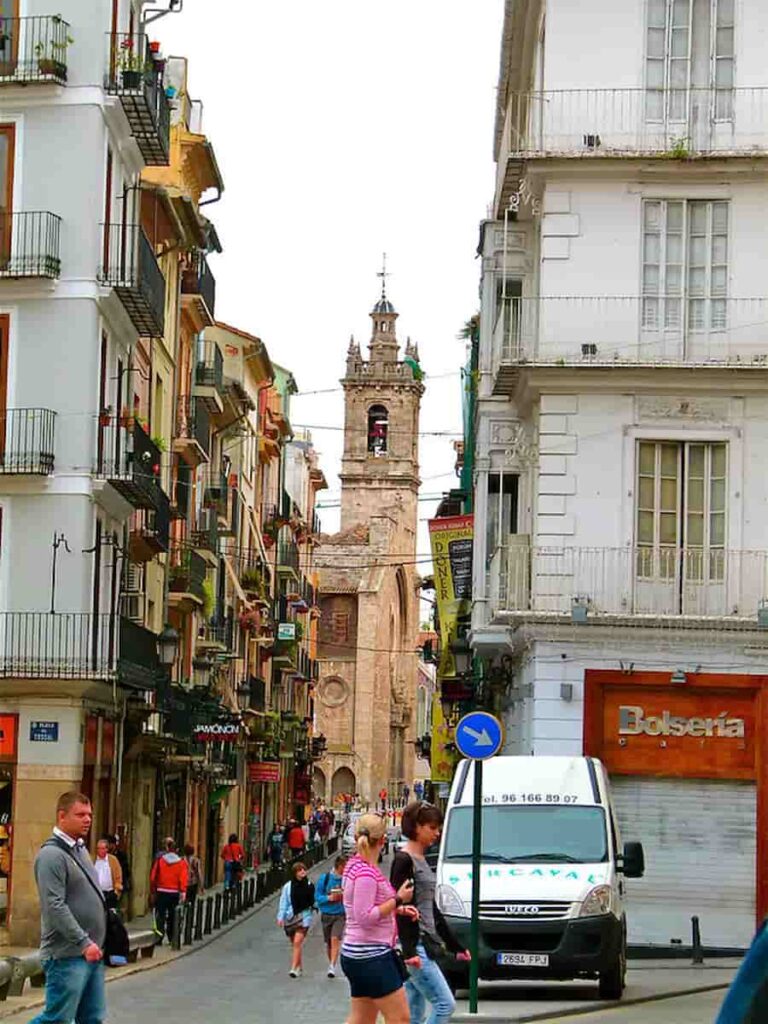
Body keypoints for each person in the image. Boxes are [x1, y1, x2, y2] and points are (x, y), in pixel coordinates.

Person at [30, 791, 106, 1024]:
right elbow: (54, 906)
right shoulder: (51, 855)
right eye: (80, 814)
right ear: (62, 817)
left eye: (89, 814)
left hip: (91, 952)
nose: (87, 820)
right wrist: (83, 942)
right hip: (67, 955)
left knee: (91, 1018)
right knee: (57, 1019)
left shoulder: (80, 849)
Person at [391, 801, 470, 1024]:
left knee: (414, 1013)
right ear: (417, 827)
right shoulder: (403, 860)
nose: (437, 833)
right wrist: (409, 952)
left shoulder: (421, 860)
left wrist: (456, 946)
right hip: (414, 945)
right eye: (432, 827)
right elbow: (400, 909)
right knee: (445, 1004)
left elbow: (431, 909)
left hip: (422, 944)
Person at [340, 813, 418, 1023]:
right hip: (372, 955)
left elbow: (364, 908)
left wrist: (397, 910)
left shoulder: (355, 866)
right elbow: (365, 916)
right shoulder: (366, 873)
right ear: (383, 840)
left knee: (362, 1019)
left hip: (357, 953)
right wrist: (398, 900)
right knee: (400, 1018)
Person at [276, 862, 315, 979]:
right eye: (300, 870)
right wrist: (280, 917)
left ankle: (293, 968)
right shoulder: (288, 886)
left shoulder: (309, 884)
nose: (303, 872)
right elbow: (284, 902)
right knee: (295, 944)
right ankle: (299, 967)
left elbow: (312, 900)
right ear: (295, 873)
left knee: (297, 942)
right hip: (291, 918)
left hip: (304, 917)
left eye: (304, 869)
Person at [149, 837, 188, 945]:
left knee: (160, 915)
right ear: (176, 850)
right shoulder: (181, 863)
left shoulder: (160, 861)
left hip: (161, 891)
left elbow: (153, 877)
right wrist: (183, 892)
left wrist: (153, 889)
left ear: (167, 848)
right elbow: (183, 878)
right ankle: (172, 937)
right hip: (174, 892)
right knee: (173, 915)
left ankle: (159, 937)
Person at [315, 855, 347, 978]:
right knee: (329, 942)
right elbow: (317, 897)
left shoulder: (346, 880)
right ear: (339, 866)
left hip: (340, 914)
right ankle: (331, 963)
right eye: (345, 866)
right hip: (327, 914)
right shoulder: (325, 878)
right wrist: (329, 898)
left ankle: (332, 966)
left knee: (335, 939)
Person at [93, 838, 123, 911]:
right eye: (99, 848)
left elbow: (118, 876)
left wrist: (116, 892)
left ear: (107, 849)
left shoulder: (113, 860)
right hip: (96, 893)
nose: (100, 851)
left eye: (103, 848)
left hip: (110, 893)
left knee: (110, 916)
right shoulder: (92, 859)